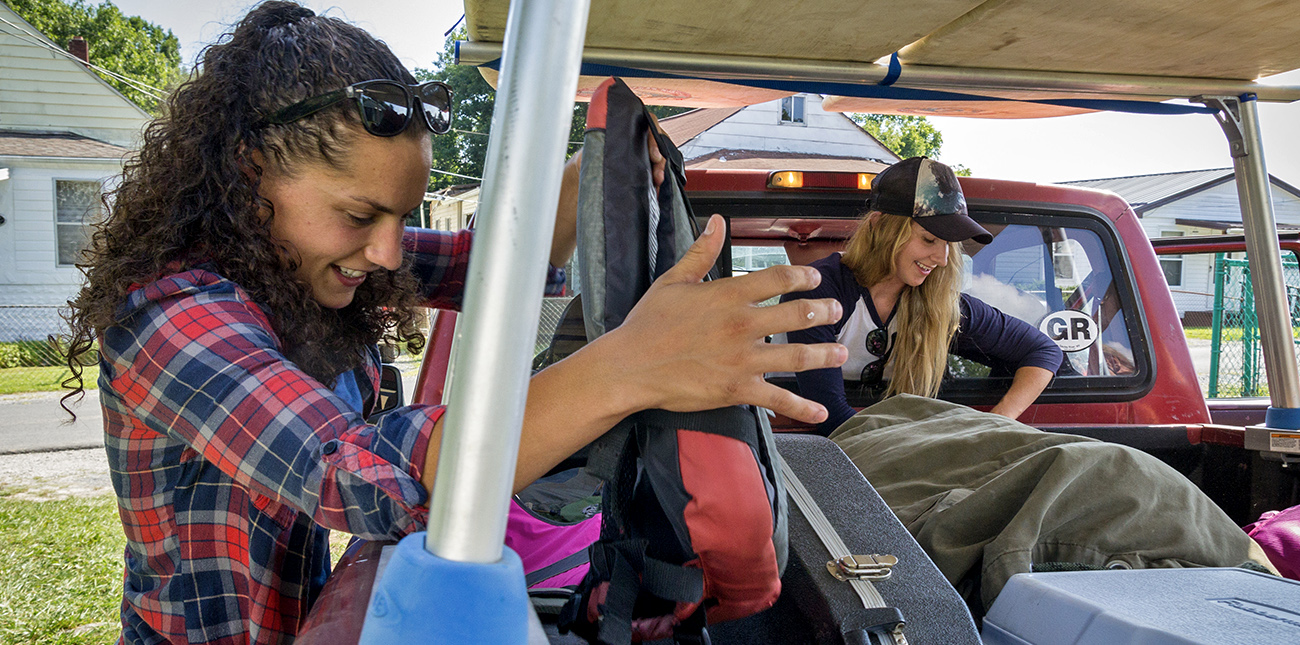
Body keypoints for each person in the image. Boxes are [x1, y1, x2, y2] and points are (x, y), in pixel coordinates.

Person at [59, 4, 846, 643]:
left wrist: (605, 170)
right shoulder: (166, 315)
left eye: (403, 215)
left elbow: (489, 261)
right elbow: (346, 470)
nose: (390, 249)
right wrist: (630, 367)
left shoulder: (306, 261)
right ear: (248, 169)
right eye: (360, 214)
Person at [782, 157, 1063, 435]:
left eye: (948, 245)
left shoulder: (941, 306)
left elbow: (1044, 351)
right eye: (929, 239)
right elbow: (829, 416)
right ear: (880, 226)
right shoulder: (819, 290)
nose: (941, 259)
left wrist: (996, 423)